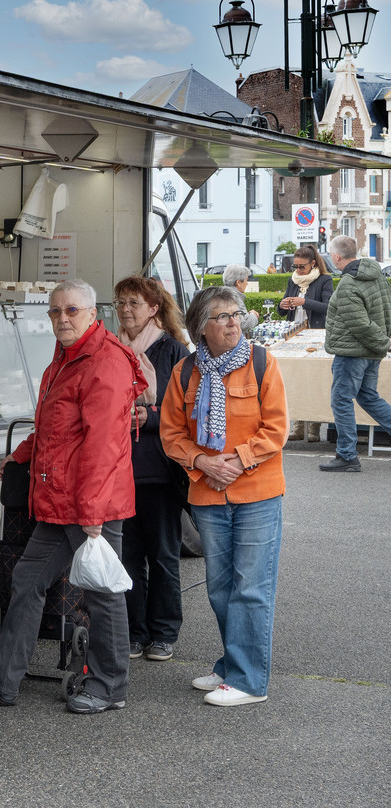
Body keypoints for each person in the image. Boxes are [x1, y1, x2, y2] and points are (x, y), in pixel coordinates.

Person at [0, 280, 146, 714]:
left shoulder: (105, 361)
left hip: (90, 504)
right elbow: (56, 428)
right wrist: (21, 454)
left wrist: (92, 512)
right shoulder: (68, 355)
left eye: (71, 310)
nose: (61, 318)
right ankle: (4, 679)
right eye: (54, 311)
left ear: (92, 313)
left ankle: (109, 687)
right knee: (27, 580)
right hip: (63, 500)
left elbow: (103, 446)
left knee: (102, 593)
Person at [160, 286, 288, 706]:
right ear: (201, 326)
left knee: (250, 588)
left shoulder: (262, 363)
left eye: (237, 314)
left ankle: (249, 682)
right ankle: (232, 665)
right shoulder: (185, 372)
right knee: (220, 589)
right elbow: (171, 434)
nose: (234, 323)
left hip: (257, 493)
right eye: (223, 316)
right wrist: (202, 461)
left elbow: (277, 429)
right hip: (208, 494)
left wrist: (236, 461)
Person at [113, 276, 190, 663]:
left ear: (154, 308)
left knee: (162, 555)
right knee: (127, 555)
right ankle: (133, 631)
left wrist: (151, 417)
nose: (125, 310)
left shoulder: (174, 350)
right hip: (118, 468)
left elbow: (189, 408)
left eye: (134, 303)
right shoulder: (110, 347)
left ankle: (163, 632)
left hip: (159, 469)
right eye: (120, 303)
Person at [318, 235, 391, 472]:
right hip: (371, 351)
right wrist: (384, 342)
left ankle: (347, 455)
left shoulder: (349, 282)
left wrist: (384, 342)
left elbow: (359, 324)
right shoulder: (377, 275)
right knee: (368, 397)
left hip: (352, 352)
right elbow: (387, 309)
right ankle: (347, 454)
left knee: (341, 400)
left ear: (336, 256)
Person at [278, 244, 334, 442]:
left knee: (315, 380)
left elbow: (329, 307)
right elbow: (282, 310)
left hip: (316, 335)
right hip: (295, 336)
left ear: (313, 263)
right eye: (295, 266)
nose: (298, 270)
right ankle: (299, 425)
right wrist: (282, 305)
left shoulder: (324, 280)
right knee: (297, 380)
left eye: (302, 266)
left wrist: (304, 302)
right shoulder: (293, 280)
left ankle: (314, 426)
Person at [221, 264, 260, 338]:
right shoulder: (233, 297)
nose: (247, 283)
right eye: (246, 280)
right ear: (238, 283)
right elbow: (243, 324)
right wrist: (253, 315)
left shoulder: (223, 294)